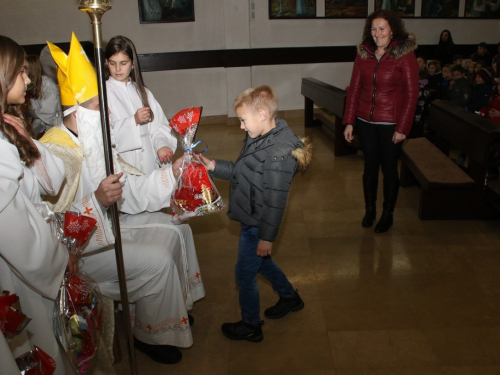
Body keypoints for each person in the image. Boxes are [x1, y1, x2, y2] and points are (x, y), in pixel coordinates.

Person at [41, 33, 205, 365]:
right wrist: (98, 201)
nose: (104, 110)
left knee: (176, 229)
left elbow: (129, 186)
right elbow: (47, 224)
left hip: (110, 224)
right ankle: (150, 333)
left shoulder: (92, 138)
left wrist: (171, 172)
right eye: (97, 105)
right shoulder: (56, 150)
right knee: (158, 259)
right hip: (80, 253)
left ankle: (168, 312)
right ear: (79, 109)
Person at [194, 85, 312, 342]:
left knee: (244, 274)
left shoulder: (278, 155)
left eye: (242, 120)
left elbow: (275, 201)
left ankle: (250, 325)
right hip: (253, 218)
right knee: (261, 262)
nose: (241, 126)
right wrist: (212, 166)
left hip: (258, 223)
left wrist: (267, 237)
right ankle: (290, 297)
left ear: (261, 114)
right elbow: (242, 171)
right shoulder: (261, 135)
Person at [0, 35, 76, 374]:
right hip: (21, 272)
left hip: (35, 256)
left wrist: (27, 140)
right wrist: (60, 257)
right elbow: (15, 232)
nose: (29, 79)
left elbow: (51, 180)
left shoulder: (9, 127)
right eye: (20, 72)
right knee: (40, 349)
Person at [343, 10, 419, 233]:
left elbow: (412, 94)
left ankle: (388, 214)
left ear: (392, 29)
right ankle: (370, 210)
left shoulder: (404, 55)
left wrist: (403, 128)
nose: (377, 34)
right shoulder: (364, 54)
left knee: (389, 170)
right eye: (373, 29)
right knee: (369, 168)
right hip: (365, 121)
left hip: (391, 124)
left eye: (382, 28)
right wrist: (349, 121)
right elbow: (355, 89)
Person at [104, 35, 176, 174]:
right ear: (106, 63)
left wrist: (160, 145)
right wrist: (133, 121)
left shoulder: (143, 92)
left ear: (132, 64)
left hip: (148, 159)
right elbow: (103, 133)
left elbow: (158, 126)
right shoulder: (103, 93)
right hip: (123, 163)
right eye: (113, 63)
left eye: (123, 63)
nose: (118, 69)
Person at [25, 54, 62, 136]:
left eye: (26, 68)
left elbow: (47, 112)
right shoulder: (34, 85)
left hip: (56, 126)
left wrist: (28, 113)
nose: (24, 71)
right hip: (47, 127)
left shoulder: (47, 84)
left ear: (33, 68)